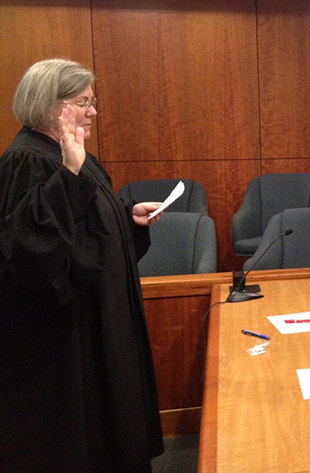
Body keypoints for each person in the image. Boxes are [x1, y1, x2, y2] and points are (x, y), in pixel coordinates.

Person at [0, 59, 164, 471]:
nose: (93, 112)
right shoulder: (26, 160)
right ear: (51, 106)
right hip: (64, 337)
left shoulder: (71, 154)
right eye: (83, 102)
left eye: (93, 101)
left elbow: (88, 224)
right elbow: (32, 248)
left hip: (98, 316)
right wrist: (70, 171)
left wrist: (127, 217)